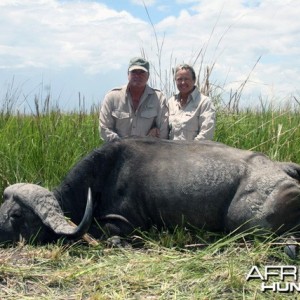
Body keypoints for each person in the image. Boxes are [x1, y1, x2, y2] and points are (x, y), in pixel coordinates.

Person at [99, 57, 169, 142]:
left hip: (148, 151)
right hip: (118, 150)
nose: (137, 75)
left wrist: (150, 141)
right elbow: (104, 129)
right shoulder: (112, 97)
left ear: (148, 76)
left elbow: (163, 132)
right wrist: (123, 145)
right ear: (128, 74)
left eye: (142, 72)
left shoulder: (159, 98)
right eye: (134, 72)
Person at [168, 64, 216, 141]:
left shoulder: (204, 102)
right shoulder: (171, 102)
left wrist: (191, 150)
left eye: (186, 79)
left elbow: (206, 134)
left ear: (194, 80)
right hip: (171, 150)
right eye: (179, 79)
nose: (183, 82)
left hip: (194, 151)